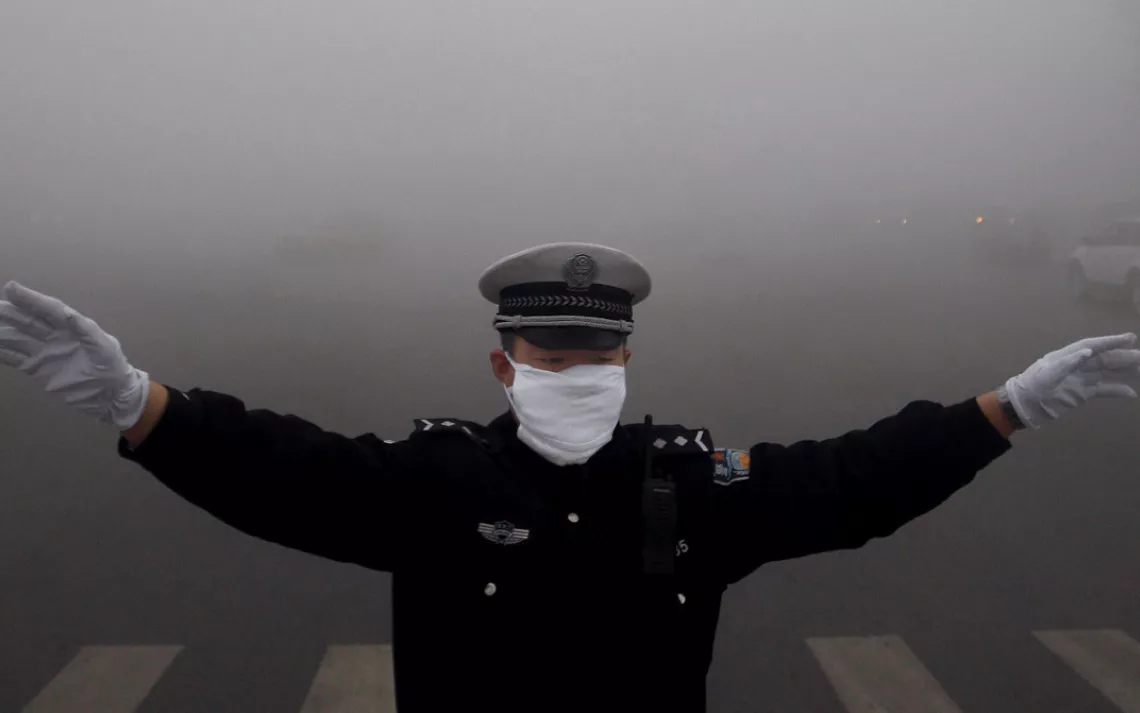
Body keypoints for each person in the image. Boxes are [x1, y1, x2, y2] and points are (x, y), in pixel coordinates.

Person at [1, 242, 1138, 713]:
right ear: (505, 363)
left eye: (599, 351)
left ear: (627, 358)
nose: (580, 366)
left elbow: (853, 480)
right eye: (554, 351)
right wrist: (132, 400)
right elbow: (284, 472)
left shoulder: (694, 483)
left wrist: (1012, 405)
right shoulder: (435, 481)